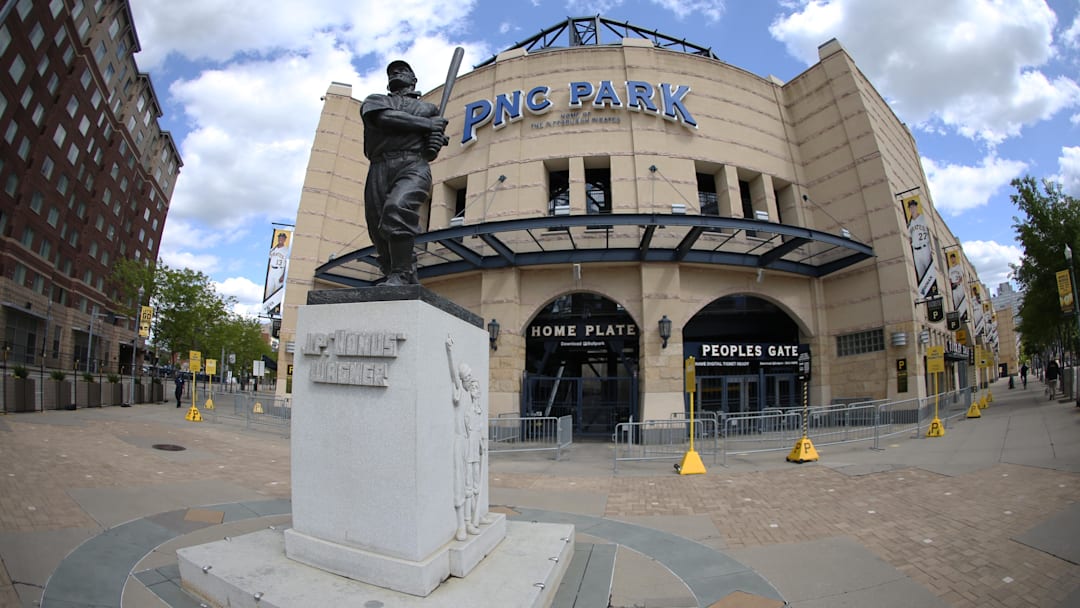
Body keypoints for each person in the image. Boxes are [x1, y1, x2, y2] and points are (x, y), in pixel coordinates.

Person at [361, 59, 449, 286]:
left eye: (403, 70)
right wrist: (429, 127)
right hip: (379, 166)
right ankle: (401, 273)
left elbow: (430, 152)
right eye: (392, 72)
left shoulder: (429, 109)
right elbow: (384, 119)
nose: (396, 73)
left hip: (413, 165)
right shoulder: (377, 100)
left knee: (397, 208)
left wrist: (435, 141)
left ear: (413, 79)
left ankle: (400, 274)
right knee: (378, 230)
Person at [446, 335, 486, 541]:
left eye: (472, 379)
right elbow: (454, 377)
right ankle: (462, 524)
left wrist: (481, 442)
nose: (471, 382)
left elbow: (478, 429)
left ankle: (470, 521)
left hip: (473, 449)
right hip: (461, 447)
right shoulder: (460, 396)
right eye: (468, 379)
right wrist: (450, 352)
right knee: (462, 486)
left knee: (473, 485)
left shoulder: (474, 405)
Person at [264, 230, 290, 300]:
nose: (280, 239)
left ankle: (276, 307)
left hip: (280, 270)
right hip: (272, 269)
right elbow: (269, 259)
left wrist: (283, 275)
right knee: (269, 289)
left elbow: (287, 263)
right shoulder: (272, 249)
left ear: (285, 240)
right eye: (280, 238)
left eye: (282, 238)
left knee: (278, 290)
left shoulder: (286, 250)